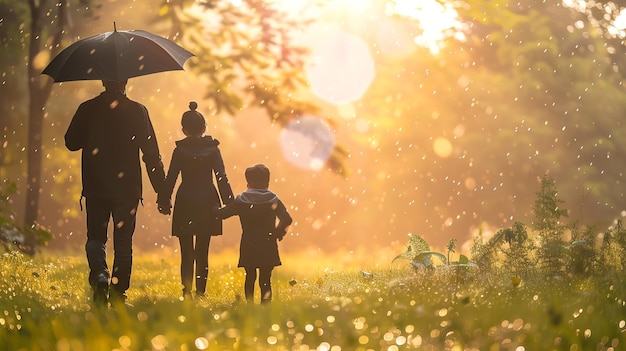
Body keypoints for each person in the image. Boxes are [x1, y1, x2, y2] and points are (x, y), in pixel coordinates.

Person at [65, 80, 166, 307]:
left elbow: (71, 143)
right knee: (123, 242)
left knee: (96, 237)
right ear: (126, 82)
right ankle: (119, 294)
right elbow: (151, 155)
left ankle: (100, 274)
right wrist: (162, 190)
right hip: (127, 188)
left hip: (95, 186)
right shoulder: (138, 111)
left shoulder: (87, 108)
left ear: (103, 81)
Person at [157, 101, 234, 299]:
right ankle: (201, 292)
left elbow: (171, 177)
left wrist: (164, 200)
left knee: (186, 252)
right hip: (207, 200)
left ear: (183, 130)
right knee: (202, 250)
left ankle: (187, 291)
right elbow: (221, 177)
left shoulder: (179, 150)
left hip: (185, 200)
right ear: (204, 128)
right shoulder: (213, 149)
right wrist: (230, 203)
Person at [215, 164, 293, 304]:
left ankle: (250, 304)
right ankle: (265, 305)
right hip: (268, 243)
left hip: (249, 243)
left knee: (250, 276)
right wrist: (277, 234)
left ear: (248, 183)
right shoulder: (273, 200)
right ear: (267, 183)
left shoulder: (241, 201)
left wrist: (213, 207)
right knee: (265, 278)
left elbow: (222, 214)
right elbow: (287, 219)